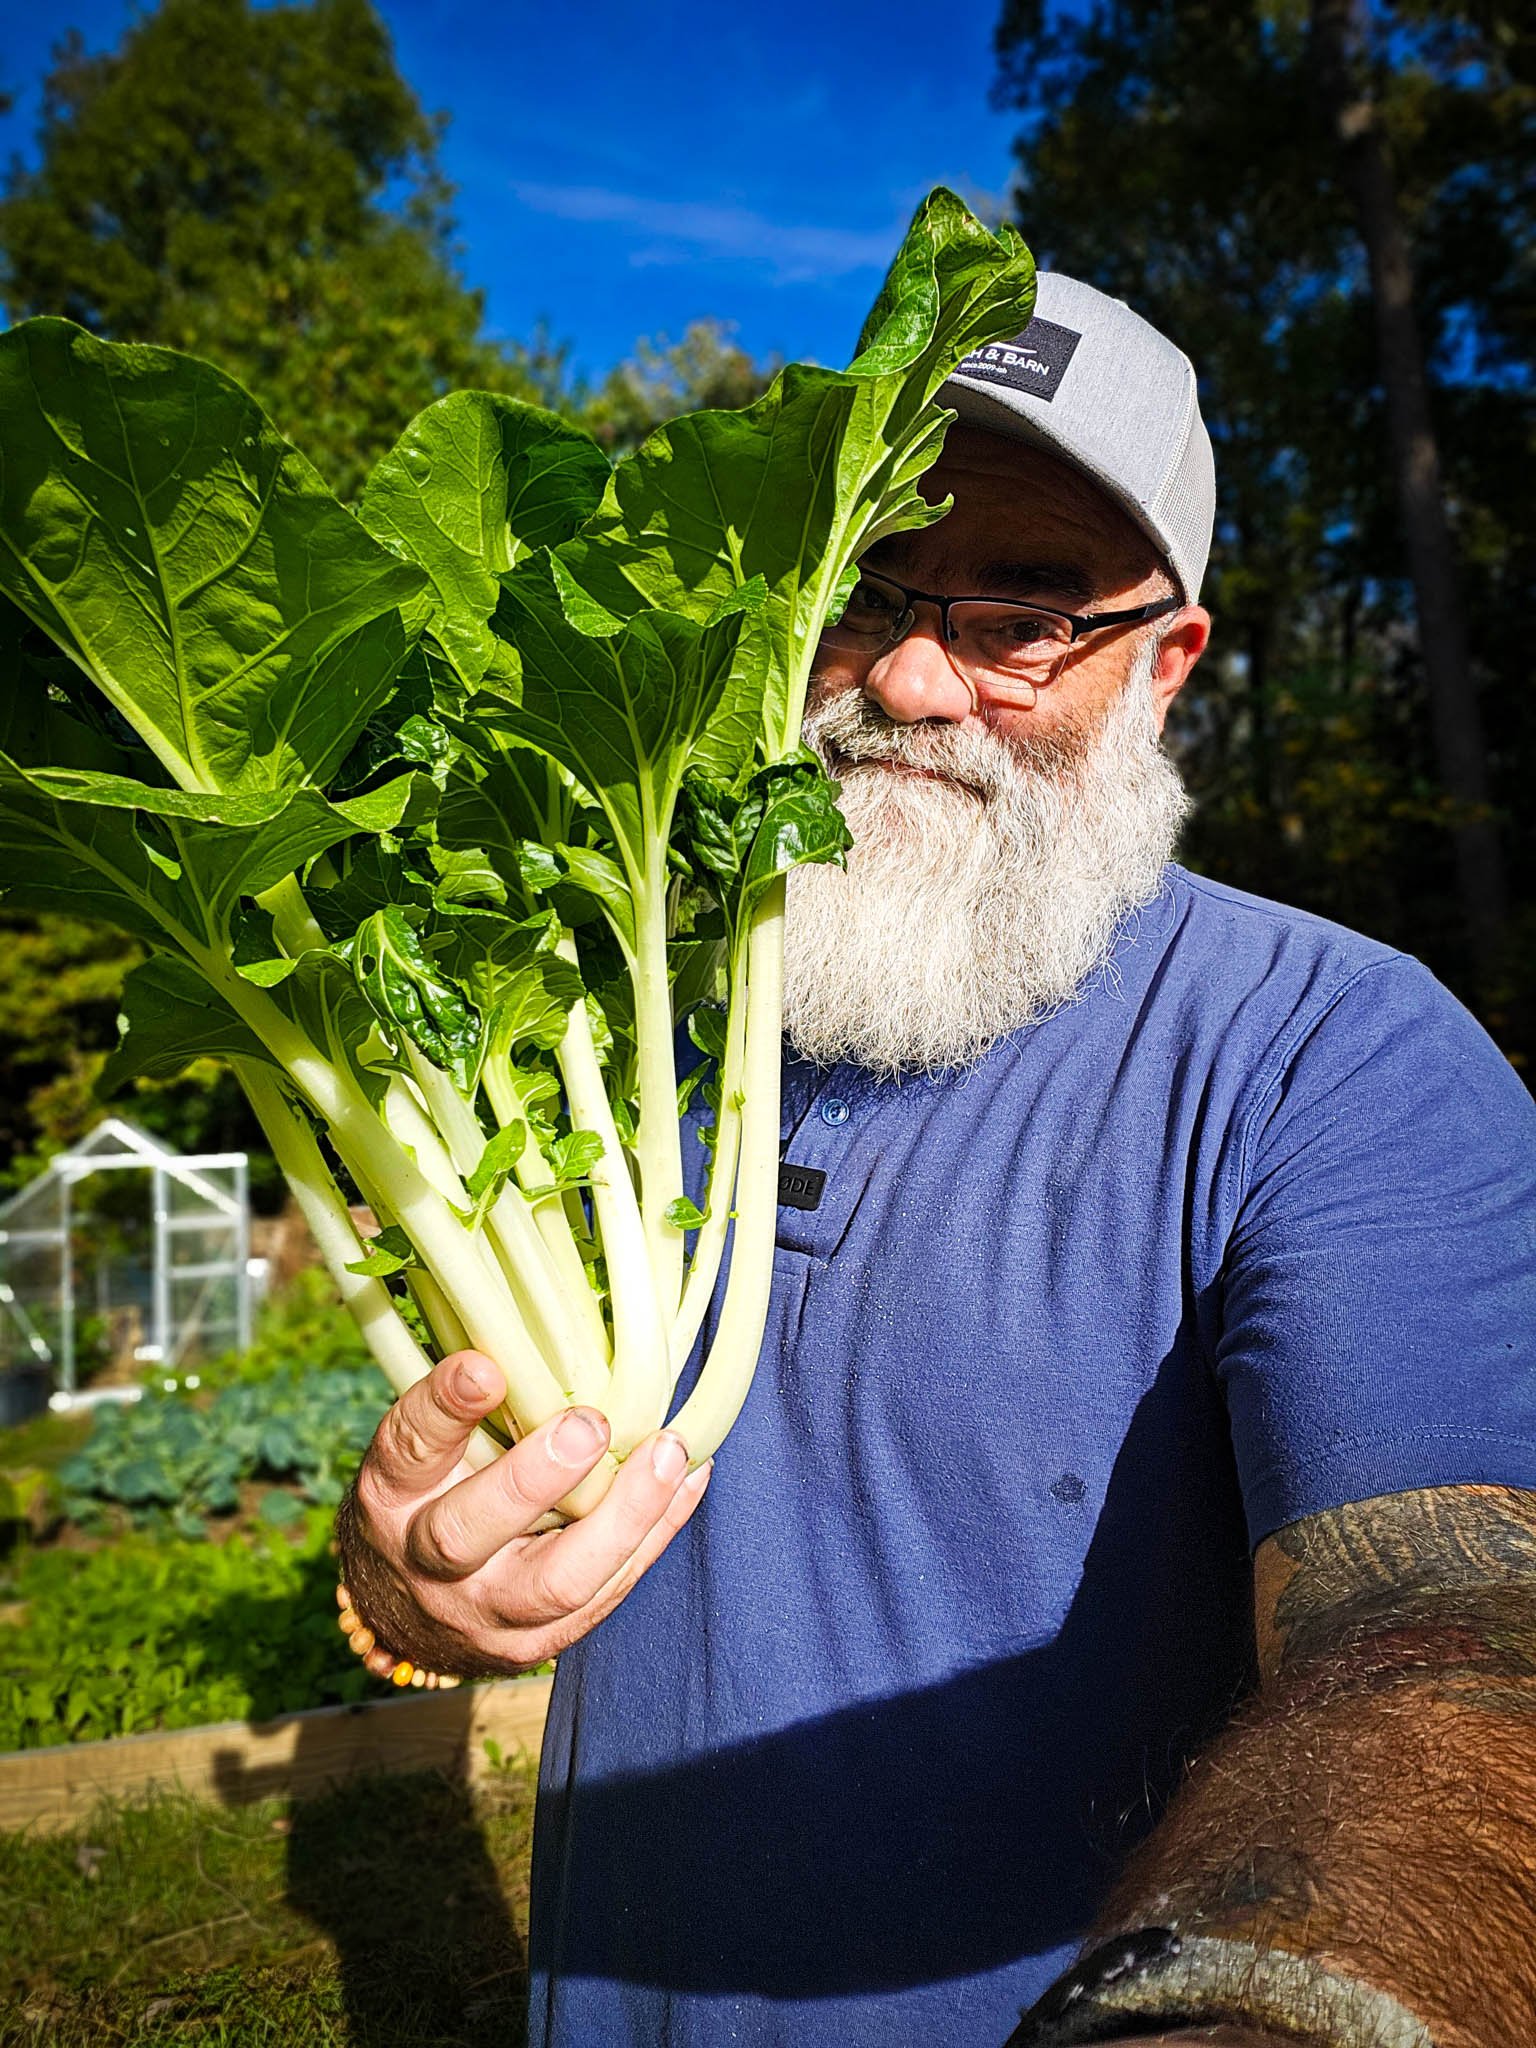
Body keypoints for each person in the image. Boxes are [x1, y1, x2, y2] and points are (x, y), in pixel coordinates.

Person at [334, 275, 1536, 2048]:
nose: (907, 680)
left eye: (1025, 616)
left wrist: (1277, 2004)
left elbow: (1449, 1630)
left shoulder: (1330, 1057)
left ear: (1165, 664)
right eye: (870, 592)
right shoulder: (604, 1018)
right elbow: (445, 1550)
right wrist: (403, 1598)